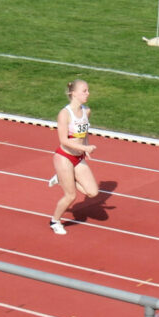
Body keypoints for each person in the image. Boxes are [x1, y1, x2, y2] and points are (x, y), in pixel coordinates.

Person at [48, 79, 99, 235]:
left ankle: (62, 177)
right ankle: (55, 221)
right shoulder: (64, 114)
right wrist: (84, 147)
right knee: (71, 196)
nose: (88, 93)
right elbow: (63, 140)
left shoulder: (87, 111)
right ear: (74, 93)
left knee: (93, 193)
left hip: (79, 157)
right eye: (84, 91)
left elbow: (84, 133)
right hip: (64, 157)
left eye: (88, 90)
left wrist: (86, 148)